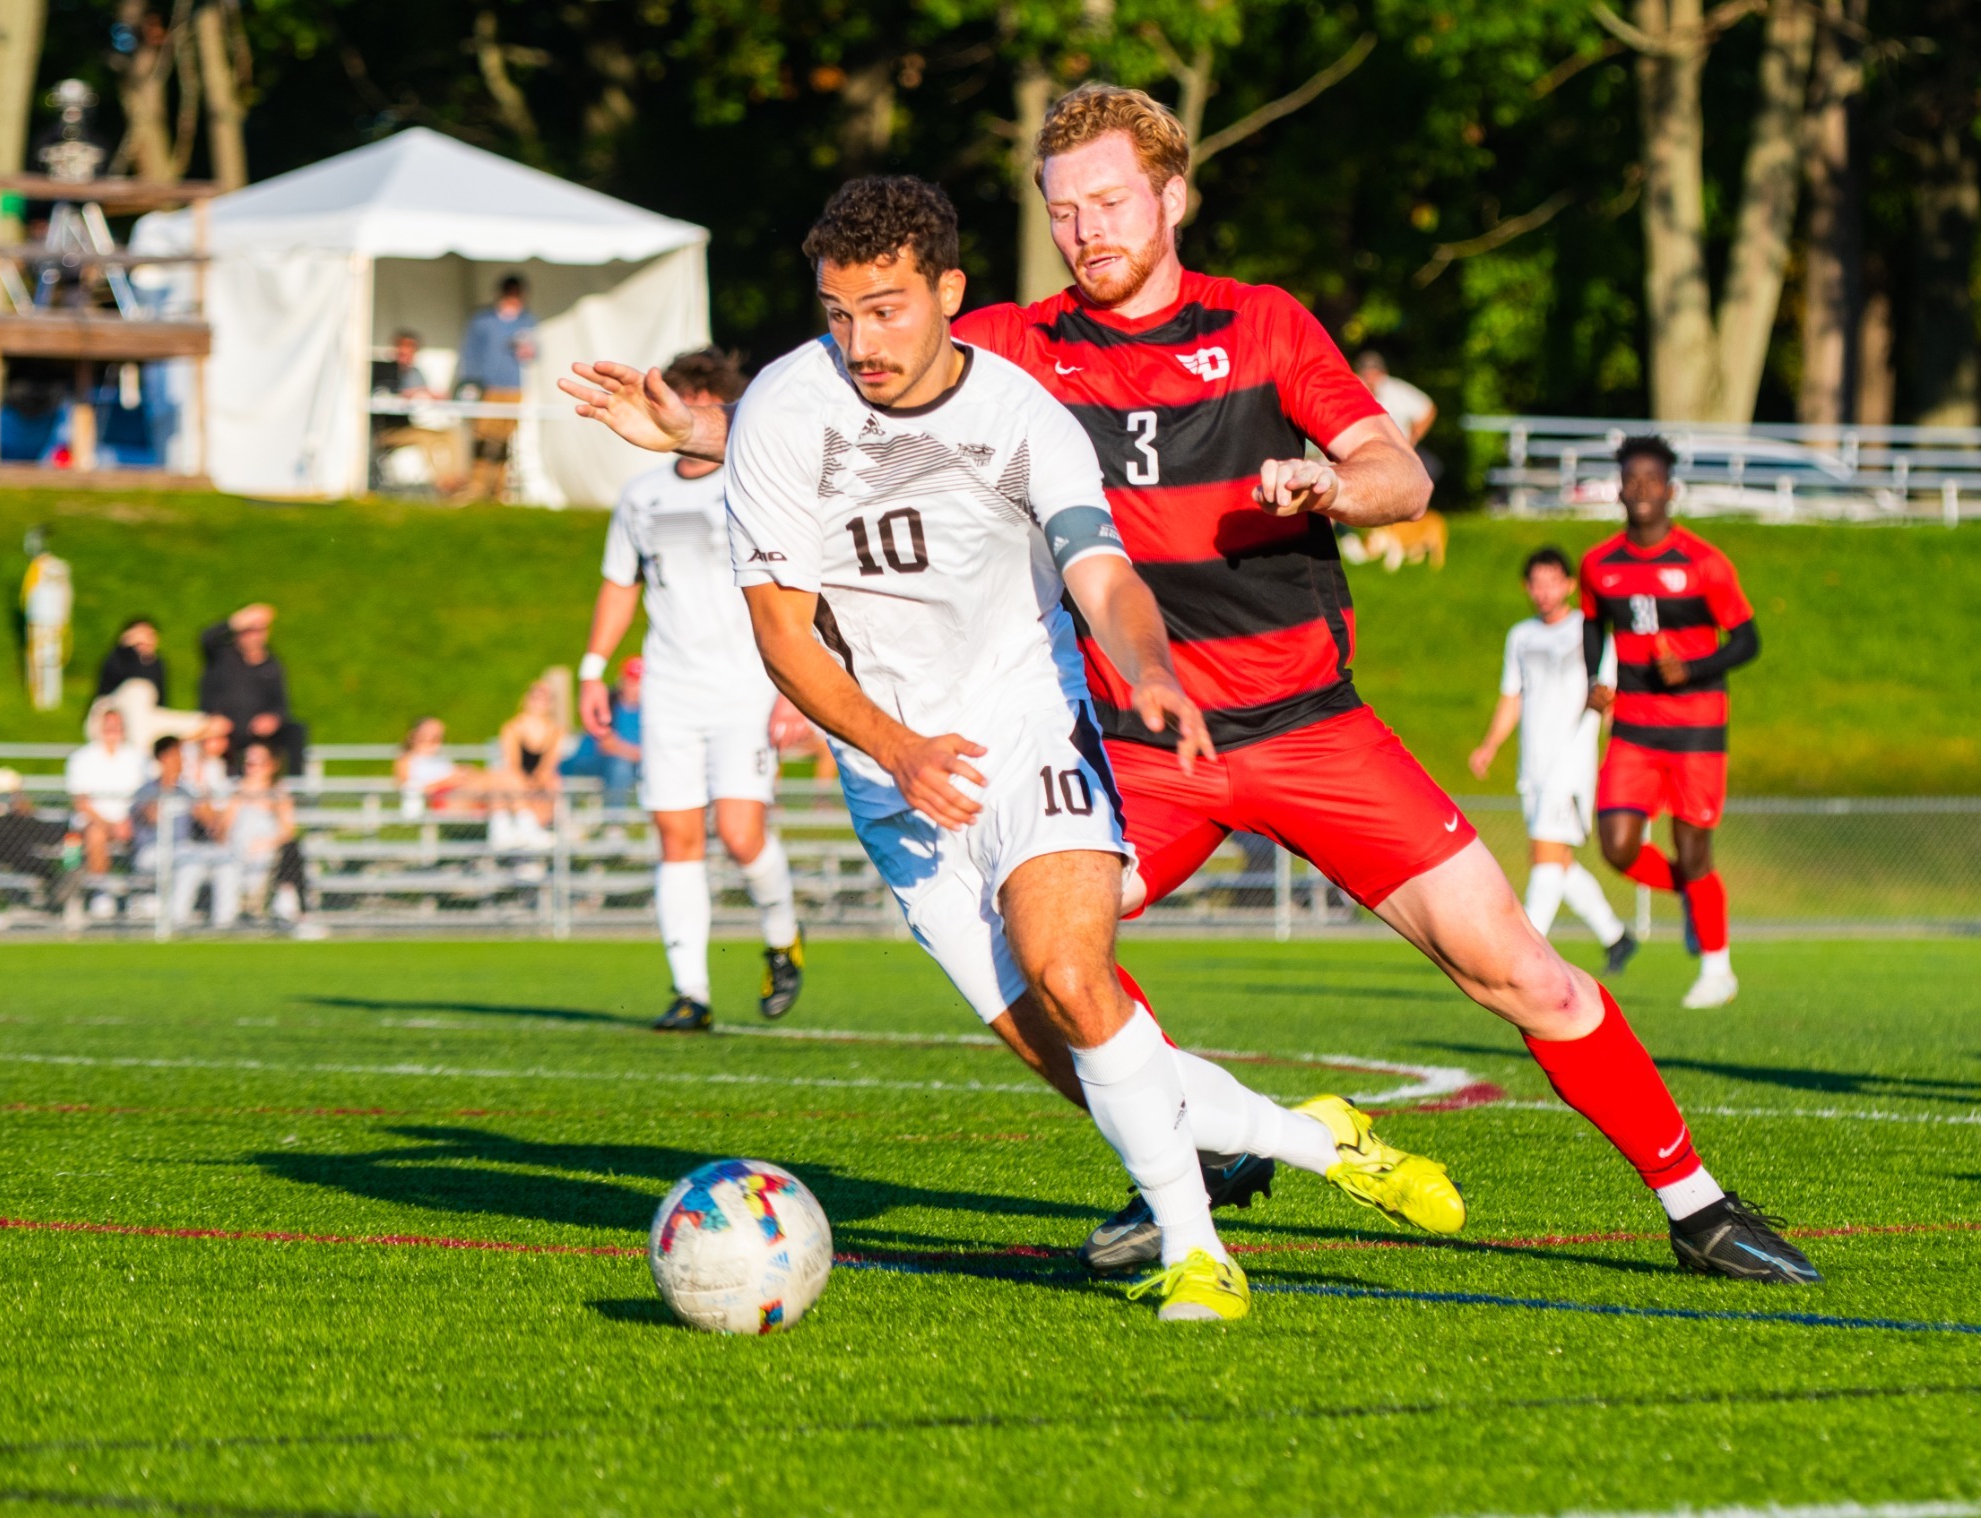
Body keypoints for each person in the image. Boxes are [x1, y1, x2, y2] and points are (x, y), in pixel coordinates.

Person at [560, 94, 1821, 1289]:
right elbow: (858, 402)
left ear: (1173, 199)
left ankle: (1694, 1204)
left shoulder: (1265, 324)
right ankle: (1189, 1154)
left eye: (1107, 202)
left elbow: (1399, 473)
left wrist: (1330, 484)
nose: (1082, 231)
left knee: (1519, 972)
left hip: (1307, 729)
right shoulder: (1016, 344)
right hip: (1135, 746)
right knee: (1044, 978)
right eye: (1060, 209)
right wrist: (687, 428)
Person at [582, 174, 1477, 1325]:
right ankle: (1317, 1139)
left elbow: (1100, 572)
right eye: (838, 311)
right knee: (1074, 1050)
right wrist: (896, 750)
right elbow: (780, 635)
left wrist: (1148, 666)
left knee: (1071, 974)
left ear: (950, 292)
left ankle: (1196, 1250)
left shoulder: (1018, 416)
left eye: (889, 308)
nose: (862, 340)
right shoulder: (782, 414)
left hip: (1024, 732)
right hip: (891, 777)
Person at [579, 346, 807, 1030]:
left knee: (740, 836)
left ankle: (782, 936)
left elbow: (798, 583)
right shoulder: (642, 495)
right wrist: (594, 666)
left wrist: (796, 685)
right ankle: (691, 992)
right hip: (670, 690)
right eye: (680, 398)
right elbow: (621, 583)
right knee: (676, 837)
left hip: (746, 685)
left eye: (706, 401)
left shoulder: (753, 479)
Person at [1584, 435, 1761, 1011]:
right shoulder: (1599, 564)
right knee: (1615, 847)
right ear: (1618, 489)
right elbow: (1593, 627)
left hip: (1697, 727)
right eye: (1630, 479)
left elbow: (1749, 641)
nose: (1640, 489)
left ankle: (1717, 969)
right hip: (1633, 725)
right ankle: (1695, 897)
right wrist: (1595, 679)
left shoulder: (1703, 562)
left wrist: (1694, 669)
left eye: (1651, 480)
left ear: (1670, 490)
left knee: (1692, 849)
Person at [1470, 548, 1636, 969]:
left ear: (1568, 584)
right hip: (1534, 765)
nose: (1544, 591)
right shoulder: (1520, 636)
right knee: (1556, 859)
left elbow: (1609, 695)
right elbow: (1513, 696)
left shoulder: (1589, 630)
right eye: (1536, 583)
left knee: (1545, 854)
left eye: (1552, 581)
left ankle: (1526, 952)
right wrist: (1490, 745)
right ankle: (1616, 936)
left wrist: (1620, 756)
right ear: (1528, 588)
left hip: (1572, 758)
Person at [131, 735, 237, 929]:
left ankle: (224, 923)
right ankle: (177, 921)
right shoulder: (146, 789)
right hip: (152, 851)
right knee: (191, 862)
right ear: (163, 758)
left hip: (184, 850)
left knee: (226, 859)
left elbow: (213, 824)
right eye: (177, 755)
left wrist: (200, 788)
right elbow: (151, 818)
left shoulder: (187, 790)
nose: (182, 760)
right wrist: (168, 783)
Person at [456, 276, 538, 503]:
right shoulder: (482, 320)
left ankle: (499, 490)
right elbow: (469, 354)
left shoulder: (526, 320)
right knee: (482, 436)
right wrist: (471, 384)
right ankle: (477, 486)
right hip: (487, 387)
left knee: (504, 439)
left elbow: (536, 353)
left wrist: (528, 351)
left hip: (513, 388)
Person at [199, 604, 307, 776]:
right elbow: (206, 638)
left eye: (259, 630)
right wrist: (238, 619)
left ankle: (294, 788)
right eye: (248, 630)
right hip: (224, 727)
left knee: (295, 731)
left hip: (256, 730)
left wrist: (273, 718)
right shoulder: (222, 656)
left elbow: (281, 704)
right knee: (216, 739)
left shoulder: (272, 665)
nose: (253, 636)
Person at [65, 705, 149, 919]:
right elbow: (81, 802)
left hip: (131, 821)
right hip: (95, 822)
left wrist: (129, 821)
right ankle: (102, 892)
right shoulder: (82, 758)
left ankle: (142, 893)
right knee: (96, 834)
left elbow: (146, 796)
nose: (113, 731)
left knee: (151, 832)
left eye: (117, 726)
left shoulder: (137, 757)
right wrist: (110, 824)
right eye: (108, 726)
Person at [371, 330, 463, 494]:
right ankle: (442, 483)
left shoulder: (415, 372)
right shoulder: (381, 369)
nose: (405, 355)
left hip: (408, 428)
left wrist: (435, 396)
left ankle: (455, 479)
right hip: (386, 432)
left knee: (450, 434)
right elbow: (382, 395)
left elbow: (422, 395)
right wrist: (411, 393)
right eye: (402, 350)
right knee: (424, 437)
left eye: (410, 351)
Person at [220, 743, 299, 925]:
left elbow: (288, 830)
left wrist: (267, 843)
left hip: (266, 848)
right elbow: (225, 828)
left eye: (258, 763)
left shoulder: (278, 793)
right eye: (248, 763)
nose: (252, 767)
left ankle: (274, 908)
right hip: (236, 849)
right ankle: (233, 915)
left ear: (272, 765)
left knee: (282, 853)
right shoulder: (235, 791)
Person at [560, 656, 645, 812]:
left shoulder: (651, 710)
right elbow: (606, 745)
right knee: (621, 766)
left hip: (635, 766)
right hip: (591, 761)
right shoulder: (607, 702)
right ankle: (613, 823)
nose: (637, 688)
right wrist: (642, 754)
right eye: (633, 681)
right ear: (622, 680)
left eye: (641, 682)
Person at [495, 681, 563, 849]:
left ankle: (528, 836)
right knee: (508, 781)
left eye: (545, 698)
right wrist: (525, 785)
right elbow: (513, 763)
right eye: (536, 697)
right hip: (516, 780)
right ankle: (528, 833)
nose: (540, 702)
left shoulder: (555, 730)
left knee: (552, 785)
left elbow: (548, 765)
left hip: (540, 781)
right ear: (526, 699)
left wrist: (536, 782)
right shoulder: (512, 728)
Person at [94, 617, 167, 706]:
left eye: (150, 635)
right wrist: (128, 649)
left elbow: (161, 697)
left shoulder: (157, 663)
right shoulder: (119, 658)